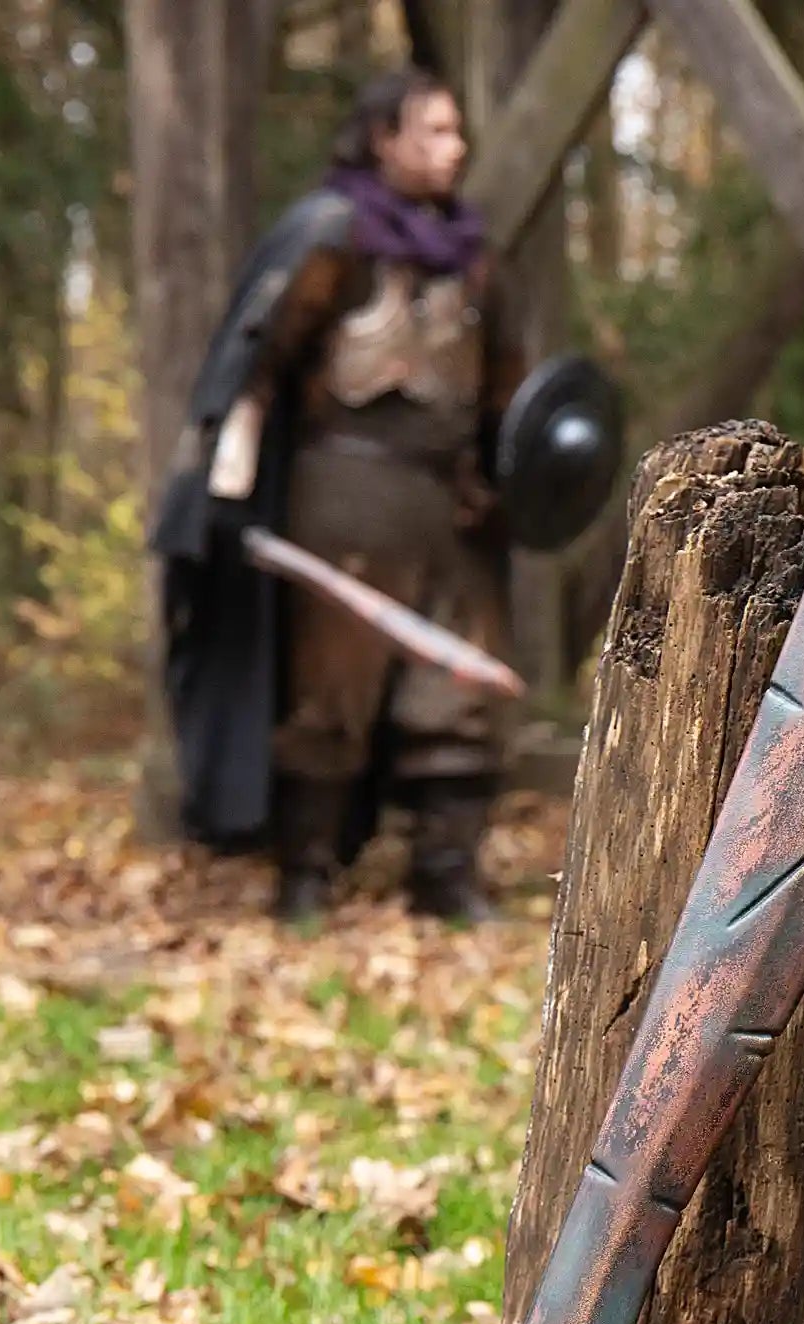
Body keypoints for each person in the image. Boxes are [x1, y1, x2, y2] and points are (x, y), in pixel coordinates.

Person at [152, 68, 523, 923]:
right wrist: (231, 462)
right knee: (331, 691)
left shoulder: (473, 257)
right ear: (382, 139)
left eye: (455, 131)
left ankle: (445, 875)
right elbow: (261, 358)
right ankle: (306, 875)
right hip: (341, 498)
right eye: (431, 131)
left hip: (446, 504)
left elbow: (508, 385)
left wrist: (504, 479)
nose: (453, 148)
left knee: (455, 700)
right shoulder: (332, 236)